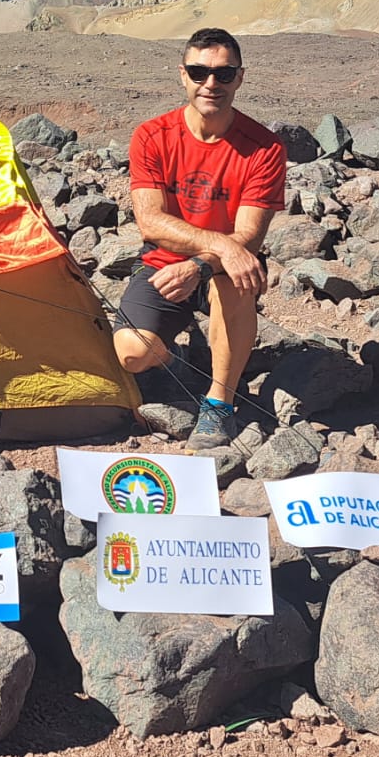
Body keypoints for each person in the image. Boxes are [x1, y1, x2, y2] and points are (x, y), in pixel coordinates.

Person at [113, 26, 286, 450]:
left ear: (239, 78)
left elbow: (248, 236)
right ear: (183, 75)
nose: (211, 84)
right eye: (199, 72)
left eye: (224, 75)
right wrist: (220, 244)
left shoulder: (264, 148)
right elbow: (150, 222)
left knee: (237, 273)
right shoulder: (152, 136)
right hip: (161, 263)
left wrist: (204, 261)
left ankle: (219, 403)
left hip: (217, 268)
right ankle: (180, 367)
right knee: (131, 354)